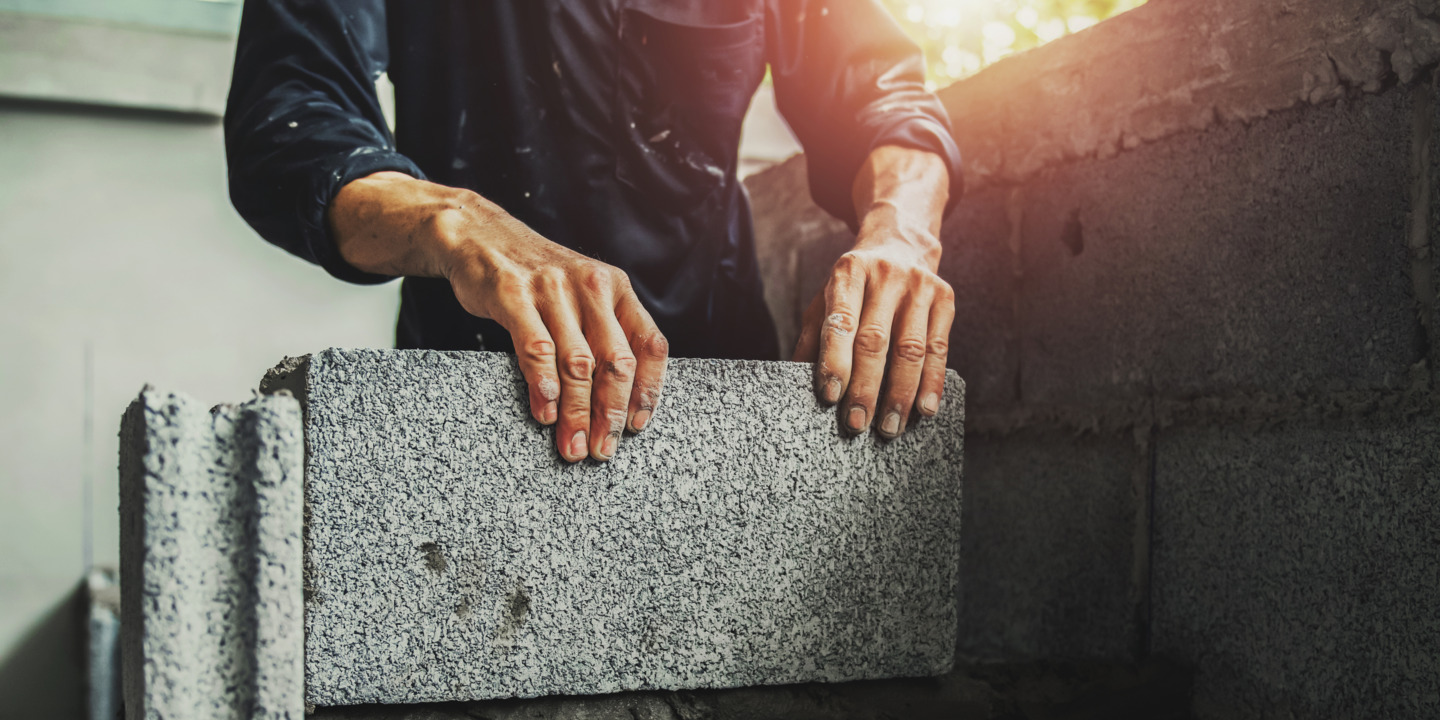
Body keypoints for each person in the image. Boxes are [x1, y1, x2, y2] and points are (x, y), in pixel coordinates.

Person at [225, 0, 962, 464]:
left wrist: (901, 234)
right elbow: (291, 118)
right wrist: (453, 220)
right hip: (471, 412)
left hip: (718, 410)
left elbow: (883, 93)